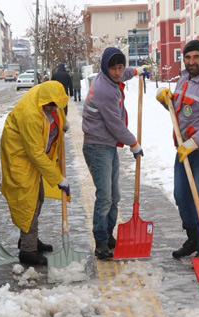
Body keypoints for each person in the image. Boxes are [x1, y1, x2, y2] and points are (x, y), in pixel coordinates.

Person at [156, 39, 199, 258]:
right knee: (182, 196)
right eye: (187, 57)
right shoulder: (184, 79)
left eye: (196, 57)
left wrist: (193, 143)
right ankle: (192, 238)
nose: (191, 61)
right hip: (184, 150)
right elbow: (181, 109)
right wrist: (166, 100)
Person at [82, 47, 149, 259]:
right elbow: (115, 125)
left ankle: (109, 233)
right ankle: (101, 241)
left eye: (120, 67)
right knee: (105, 197)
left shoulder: (111, 78)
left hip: (107, 144)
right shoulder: (105, 90)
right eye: (114, 68)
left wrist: (138, 71)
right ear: (105, 68)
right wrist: (134, 144)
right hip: (97, 146)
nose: (118, 72)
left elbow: (126, 73)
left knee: (114, 195)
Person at [0, 81, 69, 266]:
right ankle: (28, 251)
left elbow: (58, 108)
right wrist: (57, 178)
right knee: (28, 201)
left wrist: (63, 121)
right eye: (51, 105)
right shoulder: (30, 115)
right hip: (18, 154)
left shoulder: (47, 96)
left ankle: (29, 238)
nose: (54, 109)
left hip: (31, 152)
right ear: (45, 101)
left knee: (38, 196)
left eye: (57, 105)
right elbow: (35, 153)